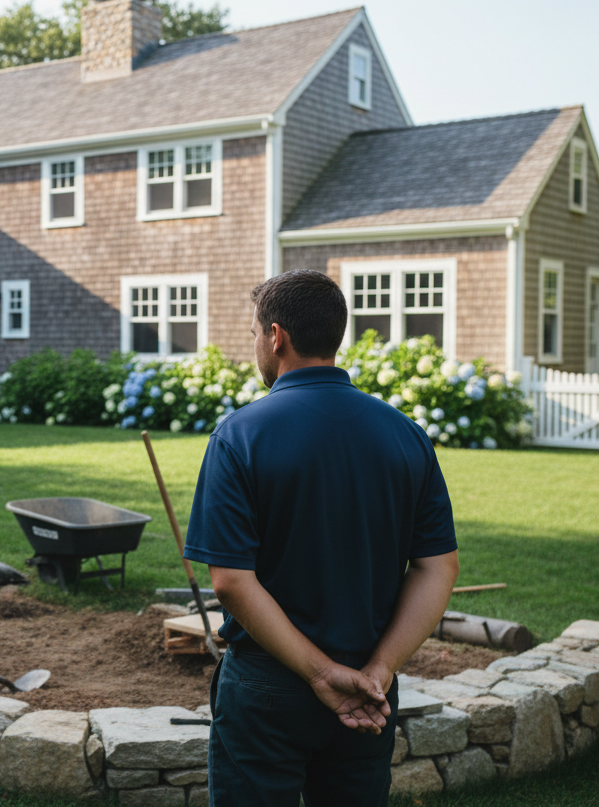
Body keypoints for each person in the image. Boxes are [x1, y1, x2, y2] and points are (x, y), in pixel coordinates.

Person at [183, 269, 460, 806]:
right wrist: (379, 670)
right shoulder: (406, 436)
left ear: (276, 337)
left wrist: (321, 675)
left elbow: (231, 581)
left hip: (268, 688)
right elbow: (437, 568)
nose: (255, 345)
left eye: (254, 333)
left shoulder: (239, 435)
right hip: (369, 689)